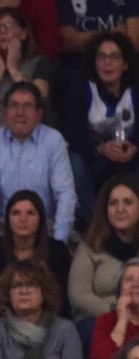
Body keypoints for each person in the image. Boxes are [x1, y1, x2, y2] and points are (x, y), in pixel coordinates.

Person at [0, 81, 77, 246]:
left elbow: (65, 194)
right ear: (5, 113)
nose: (19, 112)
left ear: (39, 113)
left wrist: (59, 241)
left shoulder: (53, 140)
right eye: (14, 105)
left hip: (45, 231)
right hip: (3, 231)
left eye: (27, 106)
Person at [64, 31, 139, 229]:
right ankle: (88, 224)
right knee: (74, 161)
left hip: (129, 158)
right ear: (93, 62)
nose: (107, 63)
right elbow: (75, 134)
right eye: (101, 57)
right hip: (94, 158)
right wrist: (101, 148)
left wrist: (135, 148)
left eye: (114, 57)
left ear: (125, 64)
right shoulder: (80, 89)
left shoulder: (135, 90)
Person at [0, 7, 54, 160]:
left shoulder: (39, 63)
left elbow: (37, 100)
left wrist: (13, 70)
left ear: (24, 33)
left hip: (30, 142)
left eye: (9, 26)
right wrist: (0, 69)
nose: (2, 32)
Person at [0, 189, 72, 322]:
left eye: (30, 213)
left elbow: (62, 302)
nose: (23, 219)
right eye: (16, 213)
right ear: (7, 219)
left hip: (49, 322)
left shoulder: (58, 251)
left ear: (40, 219)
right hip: (2, 323)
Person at [68, 175, 139, 331]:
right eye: (113, 203)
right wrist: (116, 312)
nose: (120, 209)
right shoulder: (90, 244)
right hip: (100, 320)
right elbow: (79, 295)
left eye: (128, 202)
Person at [90, 258, 139, 359]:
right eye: (129, 280)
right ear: (119, 290)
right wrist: (123, 320)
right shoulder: (105, 321)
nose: (136, 285)